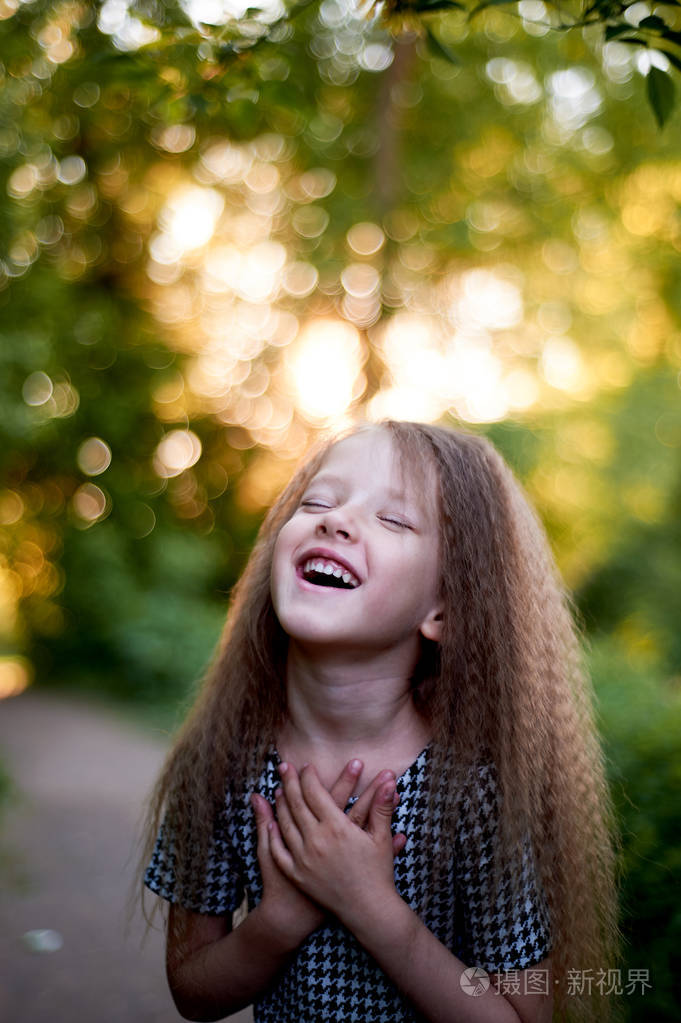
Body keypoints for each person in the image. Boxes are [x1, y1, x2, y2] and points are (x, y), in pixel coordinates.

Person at [132, 420, 622, 1023]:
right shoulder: (219, 764)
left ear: (442, 607)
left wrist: (369, 905)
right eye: (318, 501)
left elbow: (523, 1016)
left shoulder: (475, 790)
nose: (335, 521)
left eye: (393, 520)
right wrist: (279, 920)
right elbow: (192, 990)